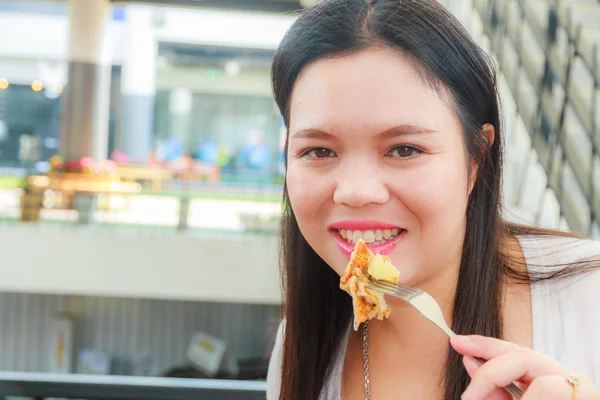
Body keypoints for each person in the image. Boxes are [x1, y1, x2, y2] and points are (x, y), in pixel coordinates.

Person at [266, 0, 600, 399]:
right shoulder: (299, 348)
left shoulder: (588, 296)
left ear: (476, 159)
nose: (355, 192)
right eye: (319, 152)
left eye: (404, 149)